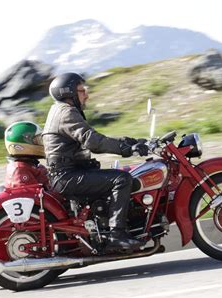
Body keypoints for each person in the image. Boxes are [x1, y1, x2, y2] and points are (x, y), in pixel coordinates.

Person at [42, 72, 149, 253]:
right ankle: (116, 235)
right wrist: (126, 149)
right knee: (121, 179)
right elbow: (94, 142)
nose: (86, 95)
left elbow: (95, 137)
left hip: (68, 173)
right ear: (68, 93)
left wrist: (131, 141)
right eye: (81, 90)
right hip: (67, 176)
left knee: (119, 175)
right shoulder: (66, 112)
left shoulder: (62, 111)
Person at [4, 121, 50, 190]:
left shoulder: (31, 165)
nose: (41, 144)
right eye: (37, 140)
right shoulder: (20, 169)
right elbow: (33, 196)